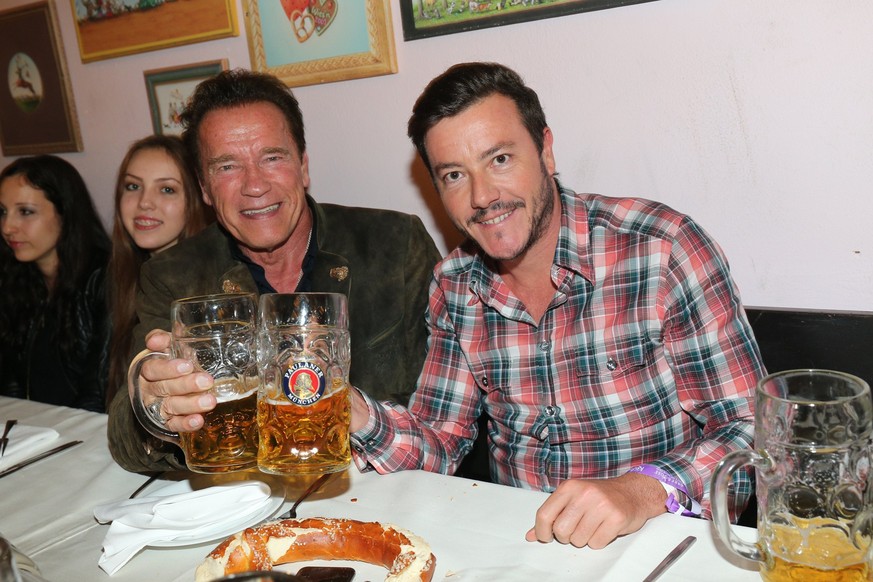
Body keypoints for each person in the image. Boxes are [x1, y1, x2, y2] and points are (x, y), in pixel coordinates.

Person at [347, 62, 766, 549]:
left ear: (545, 150)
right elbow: (438, 444)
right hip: (521, 549)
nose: (483, 196)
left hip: (658, 544)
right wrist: (354, 413)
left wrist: (645, 490)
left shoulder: (662, 249)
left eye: (499, 159)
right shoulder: (454, 284)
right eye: (456, 175)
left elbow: (753, 435)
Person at [107, 69, 442, 472]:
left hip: (385, 492)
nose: (254, 185)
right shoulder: (173, 276)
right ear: (204, 189)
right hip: (248, 501)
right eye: (227, 167)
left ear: (303, 166)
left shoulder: (395, 244)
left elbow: (446, 417)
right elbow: (124, 440)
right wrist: (155, 406)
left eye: (272, 157)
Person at [106, 135, 214, 408]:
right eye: (133, 186)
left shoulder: (213, 286)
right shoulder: (117, 276)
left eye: (167, 189)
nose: (144, 202)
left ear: (198, 198)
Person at [0, 155, 111, 412]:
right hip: (32, 431)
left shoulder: (104, 278)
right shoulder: (16, 277)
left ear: (66, 212)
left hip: (82, 436)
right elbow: (11, 379)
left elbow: (98, 390)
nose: (8, 227)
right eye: (3, 212)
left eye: (25, 212)